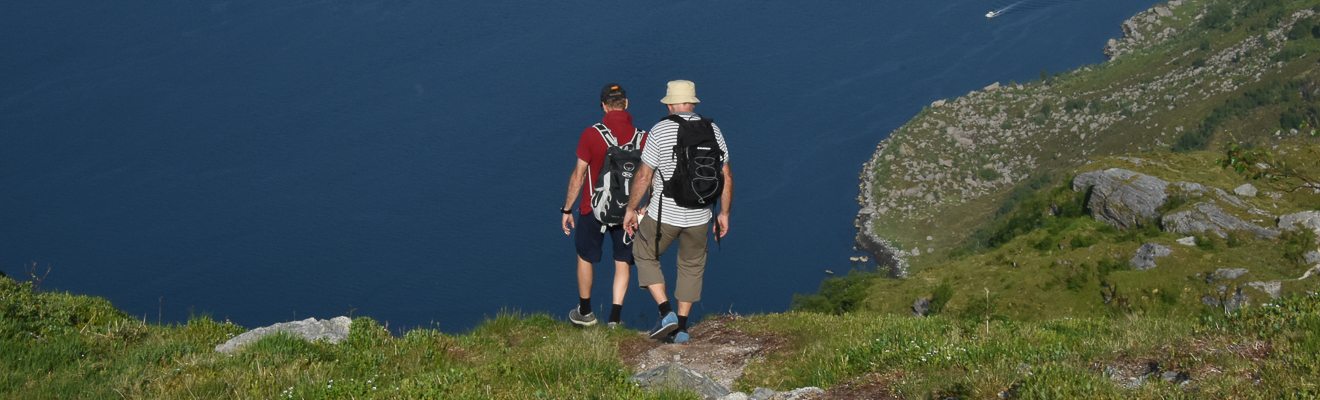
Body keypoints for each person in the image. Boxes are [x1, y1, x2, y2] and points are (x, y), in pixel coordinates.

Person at [623, 80, 733, 343]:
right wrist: (724, 214)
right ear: (693, 103)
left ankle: (666, 312)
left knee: (643, 251)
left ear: (670, 104)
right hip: (700, 215)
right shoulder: (712, 129)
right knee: (692, 266)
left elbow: (643, 176)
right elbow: (725, 175)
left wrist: (630, 209)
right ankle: (682, 328)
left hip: (665, 215)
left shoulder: (660, 130)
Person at [561, 83, 647, 328]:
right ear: (626, 103)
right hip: (628, 212)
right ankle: (615, 318)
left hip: (593, 209)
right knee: (622, 260)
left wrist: (567, 209)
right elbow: (652, 176)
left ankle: (585, 312)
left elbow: (578, 176)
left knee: (585, 256)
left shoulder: (591, 134)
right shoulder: (643, 137)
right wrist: (645, 208)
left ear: (604, 106)